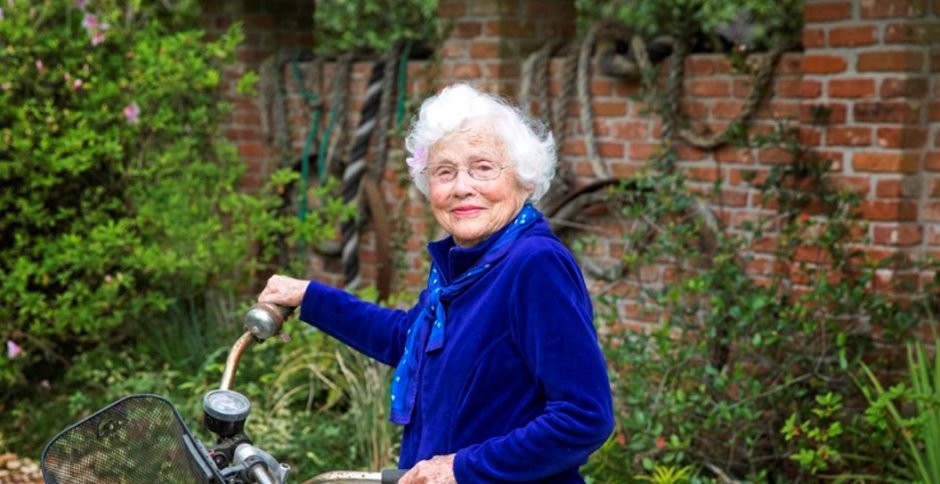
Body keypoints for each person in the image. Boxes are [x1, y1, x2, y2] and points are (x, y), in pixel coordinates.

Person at [258, 83, 614, 483]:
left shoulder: (534, 264)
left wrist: (462, 468)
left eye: (483, 168)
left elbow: (584, 416)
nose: (462, 187)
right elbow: (410, 338)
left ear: (524, 180)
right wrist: (309, 296)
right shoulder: (465, 264)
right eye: (445, 172)